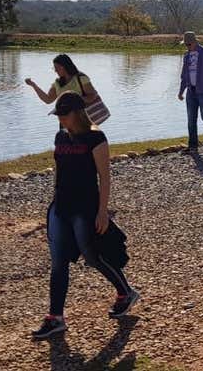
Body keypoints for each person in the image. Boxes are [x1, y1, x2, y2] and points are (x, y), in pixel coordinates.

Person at [31, 92, 138, 340]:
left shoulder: (96, 138)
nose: (60, 120)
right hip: (61, 208)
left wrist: (102, 211)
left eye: (63, 115)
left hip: (85, 208)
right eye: (58, 115)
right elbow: (57, 171)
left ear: (76, 113)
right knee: (58, 263)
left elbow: (105, 177)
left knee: (92, 257)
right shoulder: (60, 137)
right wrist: (53, 203)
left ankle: (125, 292)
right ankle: (55, 317)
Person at [25, 54, 99, 108]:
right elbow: (48, 100)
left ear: (64, 66)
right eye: (54, 68)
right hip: (64, 120)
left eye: (56, 67)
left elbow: (92, 96)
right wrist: (33, 85)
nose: (55, 71)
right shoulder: (57, 83)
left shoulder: (81, 78)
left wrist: (74, 99)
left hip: (81, 119)